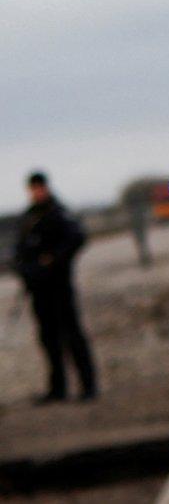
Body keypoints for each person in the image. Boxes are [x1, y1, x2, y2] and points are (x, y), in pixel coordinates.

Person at [14, 172, 97, 403]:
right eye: (33, 189)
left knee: (72, 336)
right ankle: (57, 388)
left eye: (39, 188)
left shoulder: (57, 213)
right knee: (49, 339)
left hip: (59, 288)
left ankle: (88, 386)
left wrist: (54, 260)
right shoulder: (30, 217)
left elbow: (76, 238)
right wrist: (26, 271)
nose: (36, 192)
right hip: (38, 290)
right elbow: (21, 250)